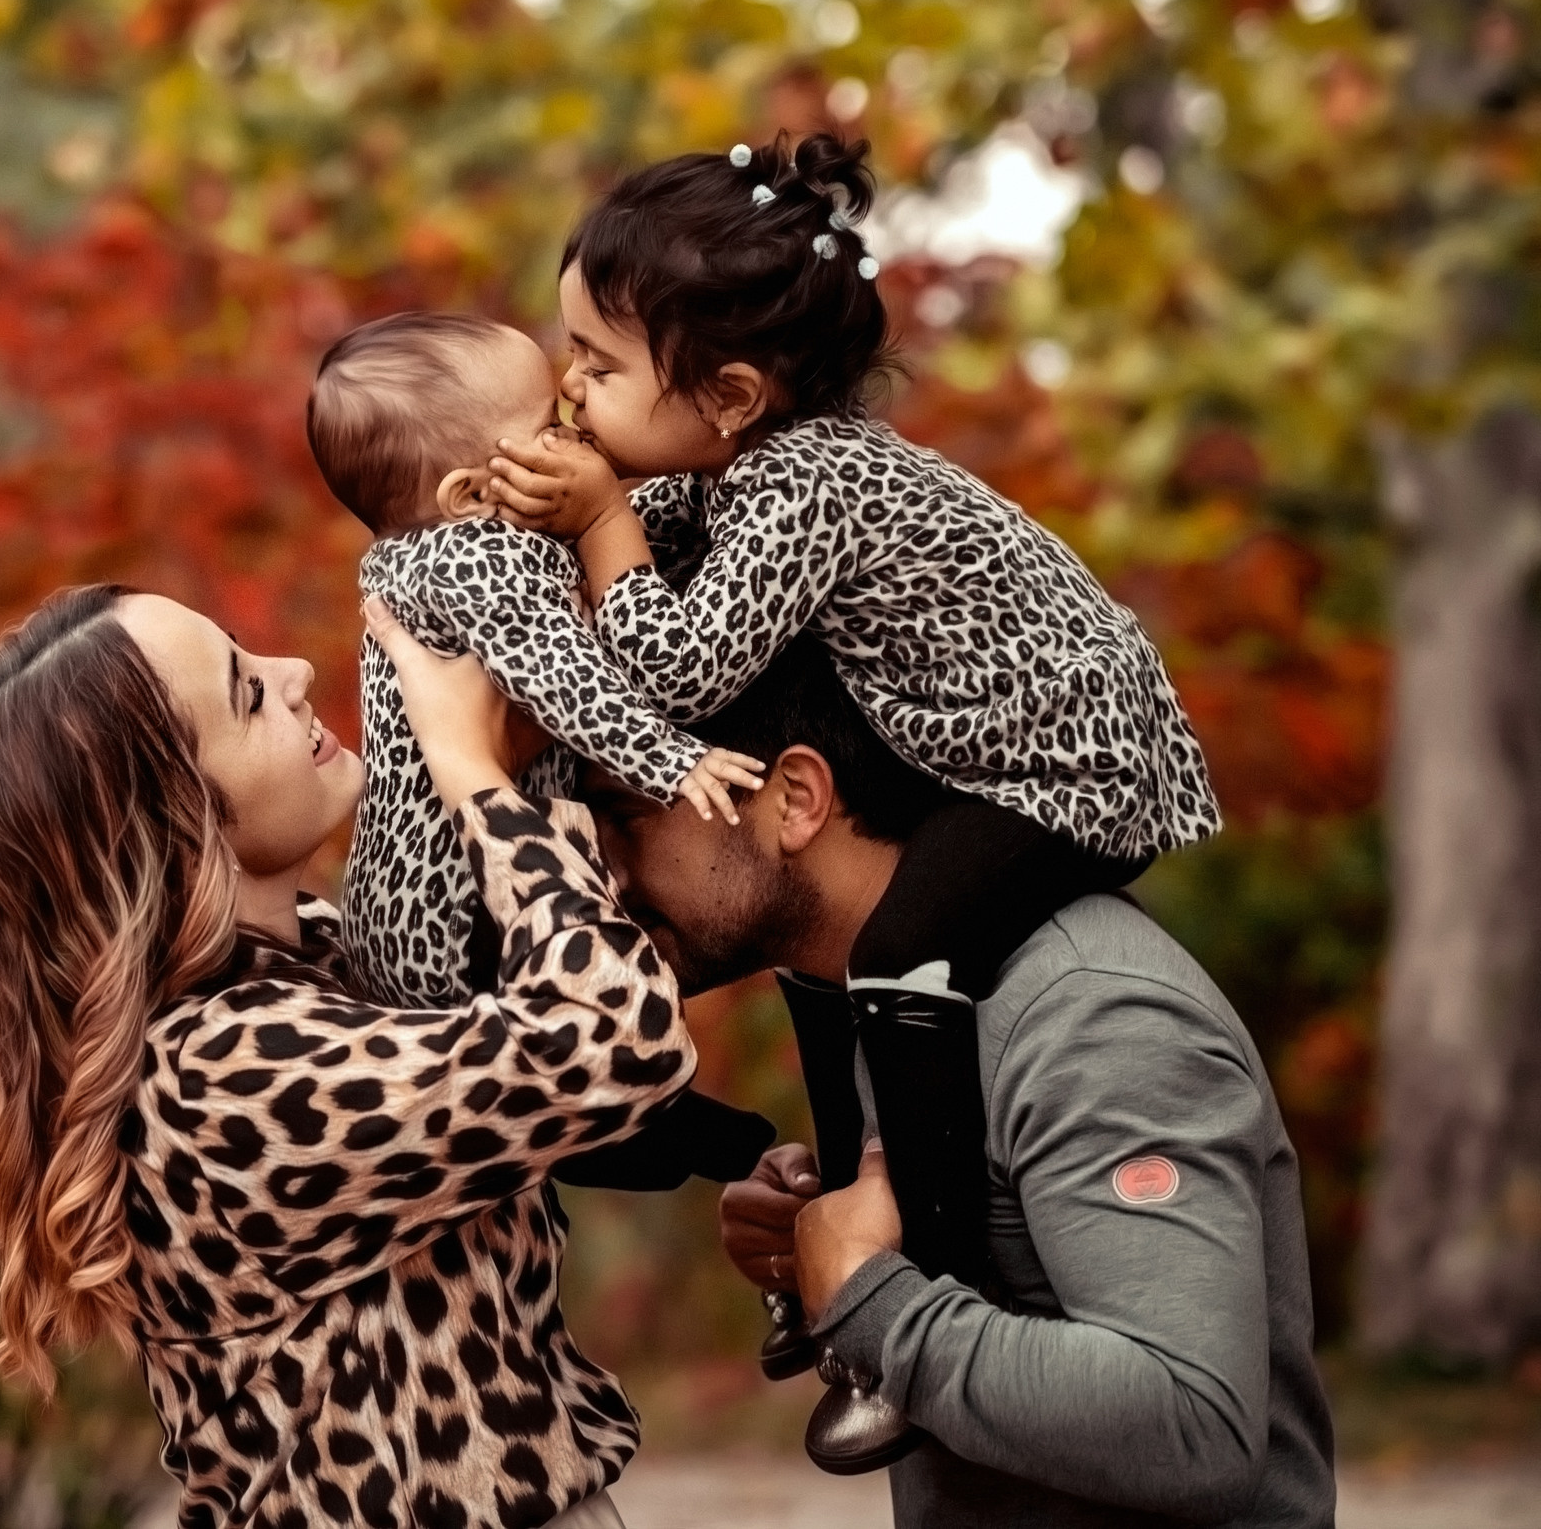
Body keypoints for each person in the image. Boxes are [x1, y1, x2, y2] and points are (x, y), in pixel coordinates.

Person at [483, 132, 1223, 1452]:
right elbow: (606, 606)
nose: (570, 394)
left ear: (728, 394)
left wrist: (595, 522)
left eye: (595, 365)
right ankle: (836, 1243)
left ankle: (915, 1295)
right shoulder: (727, 480)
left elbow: (675, 653)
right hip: (974, 744)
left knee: (896, 957)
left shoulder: (809, 478)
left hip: (1064, 763)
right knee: (824, 979)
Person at [0, 582, 720, 1529]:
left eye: (251, 654)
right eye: (247, 695)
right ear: (179, 826)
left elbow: (530, 1106)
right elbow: (616, 1038)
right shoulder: (219, 1075)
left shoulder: (311, 970)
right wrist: (473, 774)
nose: (295, 674)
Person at [584, 632, 1334, 1527]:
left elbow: (1195, 1424)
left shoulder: (1089, 1016)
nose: (605, 870)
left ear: (795, 798)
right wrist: (821, 1239)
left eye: (629, 813)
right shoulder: (893, 1010)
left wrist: (873, 1297)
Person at [305, 309, 764, 1009]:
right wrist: (672, 760)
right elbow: (563, 680)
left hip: (440, 898)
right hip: (453, 914)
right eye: (547, 428)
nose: (574, 431)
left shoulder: (447, 549)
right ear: (468, 495)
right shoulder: (473, 558)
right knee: (577, 1021)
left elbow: (621, 535)